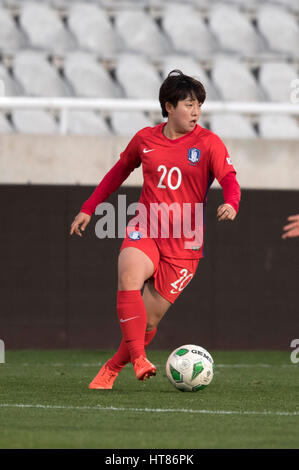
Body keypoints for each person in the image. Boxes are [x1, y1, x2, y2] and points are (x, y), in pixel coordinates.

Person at [70, 70, 241, 390]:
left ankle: (113, 365)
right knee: (128, 275)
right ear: (169, 106)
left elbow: (230, 179)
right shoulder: (145, 139)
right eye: (189, 105)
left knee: (148, 322)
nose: (196, 112)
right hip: (146, 227)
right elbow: (117, 173)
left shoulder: (209, 143)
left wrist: (231, 203)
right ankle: (138, 358)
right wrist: (88, 208)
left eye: (199, 105)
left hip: (185, 244)